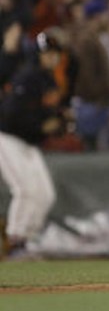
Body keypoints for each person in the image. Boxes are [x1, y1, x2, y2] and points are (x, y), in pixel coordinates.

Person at [0, 30, 64, 258]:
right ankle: (15, 239)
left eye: (55, 53)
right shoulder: (27, 77)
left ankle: (28, 240)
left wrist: (59, 122)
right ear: (37, 54)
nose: (52, 57)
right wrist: (41, 126)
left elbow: (50, 117)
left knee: (46, 194)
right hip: (7, 138)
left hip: (28, 143)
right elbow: (11, 116)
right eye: (48, 52)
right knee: (24, 190)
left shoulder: (50, 80)